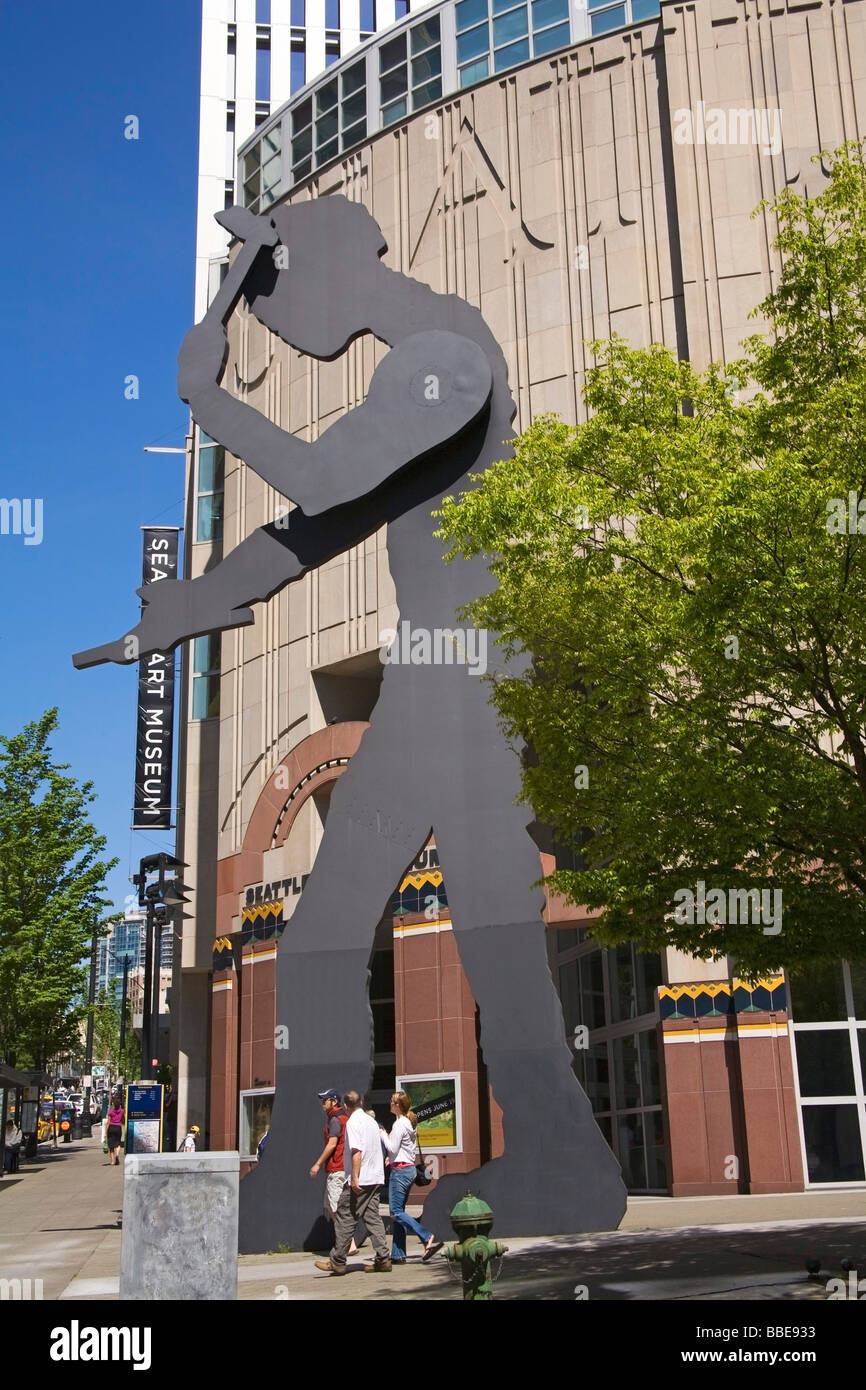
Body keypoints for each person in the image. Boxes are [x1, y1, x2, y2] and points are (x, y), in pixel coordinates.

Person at [314, 1092, 391, 1275]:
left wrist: (355, 1177)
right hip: (375, 1177)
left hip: (361, 1179)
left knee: (344, 1217)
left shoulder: (353, 1123)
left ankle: (338, 1261)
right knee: (373, 1218)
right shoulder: (371, 1121)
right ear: (361, 1102)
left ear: (346, 1106)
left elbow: (357, 1151)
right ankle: (383, 1259)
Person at [380, 1092, 443, 1264]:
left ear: (398, 1106)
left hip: (400, 1172)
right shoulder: (408, 1123)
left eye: (392, 1102)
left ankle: (426, 1236)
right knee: (399, 1212)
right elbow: (402, 1149)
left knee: (396, 1212)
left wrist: (383, 1134)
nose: (390, 1104)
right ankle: (398, 1254)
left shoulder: (400, 1124)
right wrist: (390, 1158)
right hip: (407, 1170)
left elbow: (392, 1148)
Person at [106, 1098, 125, 1166]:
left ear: (113, 1104)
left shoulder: (111, 1112)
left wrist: (106, 1132)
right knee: (118, 1143)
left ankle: (112, 1161)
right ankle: (117, 1155)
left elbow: (108, 1122)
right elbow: (124, 1119)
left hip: (111, 1128)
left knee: (111, 1146)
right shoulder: (122, 1111)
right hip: (118, 1128)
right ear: (119, 1105)